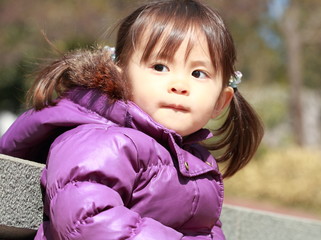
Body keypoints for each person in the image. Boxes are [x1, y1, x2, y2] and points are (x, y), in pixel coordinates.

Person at [0, 0, 263, 239]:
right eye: (160, 67)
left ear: (221, 101)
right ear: (120, 76)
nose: (180, 84)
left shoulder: (198, 163)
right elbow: (86, 221)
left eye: (198, 73)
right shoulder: (102, 140)